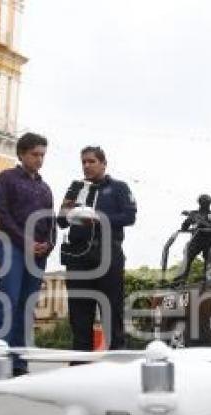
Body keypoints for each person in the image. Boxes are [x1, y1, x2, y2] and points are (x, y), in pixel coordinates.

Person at [57, 146, 137, 352]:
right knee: (79, 315)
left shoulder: (118, 187)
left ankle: (116, 360)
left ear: (103, 163)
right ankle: (80, 364)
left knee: (111, 311)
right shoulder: (76, 187)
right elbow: (61, 221)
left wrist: (98, 219)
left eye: (91, 161)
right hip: (78, 257)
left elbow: (129, 217)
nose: (86, 166)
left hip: (107, 255)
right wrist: (70, 209)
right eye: (83, 162)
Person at [0, 132, 55, 376]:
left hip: (37, 253)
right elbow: (0, 213)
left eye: (42, 155)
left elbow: (51, 222)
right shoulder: (5, 179)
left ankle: (19, 362)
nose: (39, 159)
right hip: (11, 246)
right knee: (9, 299)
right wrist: (24, 240)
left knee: (26, 305)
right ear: (21, 154)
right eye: (35, 154)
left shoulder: (45, 188)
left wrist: (48, 244)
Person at [172, 194, 211, 285]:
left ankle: (207, 279)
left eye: (208, 202)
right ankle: (181, 279)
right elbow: (184, 226)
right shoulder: (194, 214)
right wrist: (190, 219)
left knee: (209, 260)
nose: (206, 204)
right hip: (196, 240)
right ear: (200, 203)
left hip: (209, 241)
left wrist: (207, 225)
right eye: (204, 202)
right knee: (188, 258)